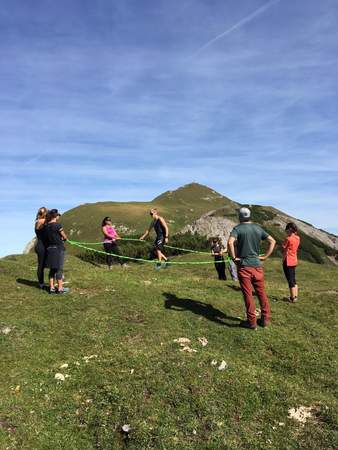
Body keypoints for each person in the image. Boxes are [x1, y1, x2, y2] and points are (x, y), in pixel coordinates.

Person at [227, 207, 276, 329]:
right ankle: (265, 319)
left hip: (244, 266)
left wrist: (234, 258)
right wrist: (264, 256)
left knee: (248, 294)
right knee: (261, 293)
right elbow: (272, 241)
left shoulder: (237, 229)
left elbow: (229, 242)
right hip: (257, 266)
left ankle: (251, 322)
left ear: (240, 216)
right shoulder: (257, 228)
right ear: (249, 216)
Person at [45, 209, 69, 294]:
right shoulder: (58, 225)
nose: (59, 217)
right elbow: (64, 237)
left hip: (50, 248)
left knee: (52, 269)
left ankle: (51, 288)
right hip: (58, 248)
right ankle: (60, 288)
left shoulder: (46, 226)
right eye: (58, 215)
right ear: (55, 216)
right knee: (59, 269)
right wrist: (63, 239)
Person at [282, 222, 300, 303]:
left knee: (290, 280)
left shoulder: (288, 239)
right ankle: (295, 296)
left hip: (288, 260)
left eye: (287, 230)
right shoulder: (297, 238)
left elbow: (284, 248)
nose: (286, 232)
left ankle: (292, 298)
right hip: (294, 260)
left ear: (289, 229)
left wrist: (283, 259)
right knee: (293, 278)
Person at [34, 207, 48, 288]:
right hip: (42, 246)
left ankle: (41, 283)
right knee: (41, 265)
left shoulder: (38, 221)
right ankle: (41, 283)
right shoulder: (42, 221)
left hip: (41, 245)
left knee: (41, 265)